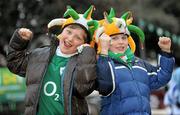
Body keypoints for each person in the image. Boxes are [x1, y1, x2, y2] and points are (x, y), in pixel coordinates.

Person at [7, 5, 98, 115]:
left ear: (84, 44)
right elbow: (15, 64)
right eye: (68, 32)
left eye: (78, 37)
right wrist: (19, 41)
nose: (70, 38)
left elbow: (83, 88)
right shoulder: (40, 55)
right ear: (61, 33)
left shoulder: (83, 63)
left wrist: (88, 53)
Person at [95, 8, 175, 115]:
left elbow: (161, 77)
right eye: (114, 38)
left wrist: (166, 51)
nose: (121, 42)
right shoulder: (102, 63)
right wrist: (103, 52)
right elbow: (104, 87)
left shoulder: (139, 63)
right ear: (104, 41)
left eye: (124, 37)